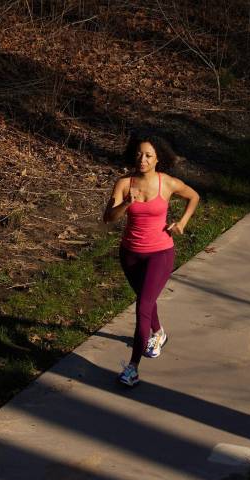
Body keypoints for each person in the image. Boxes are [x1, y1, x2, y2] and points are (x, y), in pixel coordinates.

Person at [102, 132, 200, 386]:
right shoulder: (124, 183)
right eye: (138, 154)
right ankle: (158, 333)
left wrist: (182, 223)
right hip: (130, 253)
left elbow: (193, 196)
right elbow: (108, 218)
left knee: (143, 306)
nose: (142, 159)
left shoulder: (166, 183)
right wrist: (125, 204)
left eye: (148, 155)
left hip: (160, 253)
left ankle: (132, 367)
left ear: (158, 159)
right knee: (146, 299)